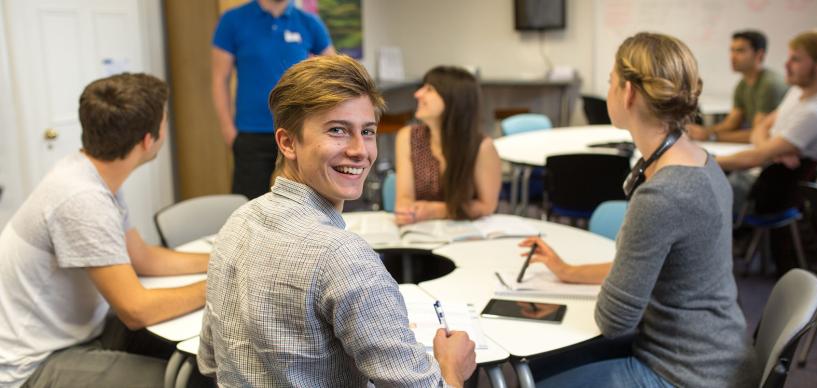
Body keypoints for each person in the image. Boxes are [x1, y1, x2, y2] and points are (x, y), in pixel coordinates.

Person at [198, 55, 477, 387]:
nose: (360, 150)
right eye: (337, 130)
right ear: (288, 142)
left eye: (368, 131)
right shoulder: (342, 256)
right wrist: (451, 367)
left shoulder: (237, 223)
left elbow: (210, 361)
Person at [524, 33, 760, 387]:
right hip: (717, 351)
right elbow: (654, 268)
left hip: (686, 372)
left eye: (610, 82)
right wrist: (568, 271)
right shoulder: (701, 162)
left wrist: (613, 282)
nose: (608, 91)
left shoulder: (662, 195)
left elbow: (614, 321)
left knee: (537, 376)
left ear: (629, 92)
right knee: (546, 363)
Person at [0, 73, 209, 387]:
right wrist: (221, 283)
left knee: (204, 360)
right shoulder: (82, 200)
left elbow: (142, 258)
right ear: (147, 140)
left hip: (82, 329)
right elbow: (136, 310)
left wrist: (222, 259)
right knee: (187, 380)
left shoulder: (92, 172)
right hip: (34, 363)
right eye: (164, 121)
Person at [718, 29, 817, 273]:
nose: (786, 64)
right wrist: (770, 148)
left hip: (766, 195)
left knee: (699, 190)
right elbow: (762, 126)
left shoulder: (816, 112)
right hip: (760, 177)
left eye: (796, 59)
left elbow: (755, 157)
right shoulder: (798, 91)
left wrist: (706, 161)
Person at [212, 0, 335, 199]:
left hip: (296, 133)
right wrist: (228, 130)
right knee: (249, 205)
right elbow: (219, 79)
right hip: (251, 135)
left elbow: (334, 72)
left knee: (300, 205)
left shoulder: (308, 22)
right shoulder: (233, 20)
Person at [394, 66, 501, 225]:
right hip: (420, 234)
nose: (417, 94)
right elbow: (404, 198)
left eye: (429, 89)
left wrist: (436, 211)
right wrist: (406, 210)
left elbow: (487, 206)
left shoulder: (481, 147)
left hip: (467, 233)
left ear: (453, 99)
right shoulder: (407, 137)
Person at [687, 30, 788, 143]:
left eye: (740, 51)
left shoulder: (770, 84)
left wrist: (711, 136)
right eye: (732, 50)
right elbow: (731, 123)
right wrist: (701, 131)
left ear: (759, 54)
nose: (732, 56)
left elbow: (757, 133)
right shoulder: (742, 85)